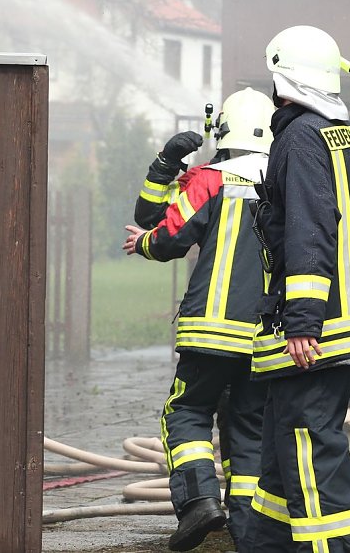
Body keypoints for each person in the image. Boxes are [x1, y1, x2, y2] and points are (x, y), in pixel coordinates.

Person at [123, 88, 276, 552]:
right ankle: (247, 529)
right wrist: (169, 172)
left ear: (223, 129)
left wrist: (144, 241)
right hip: (266, 335)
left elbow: (163, 233)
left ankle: (199, 503)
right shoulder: (287, 181)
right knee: (249, 427)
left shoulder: (211, 180)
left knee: (186, 412)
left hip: (210, 328)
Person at [242, 25, 350, 552]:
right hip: (343, 322)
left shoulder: (299, 138)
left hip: (313, 333)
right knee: (281, 459)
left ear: (282, 80)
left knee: (310, 458)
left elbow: (309, 229)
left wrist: (301, 320)